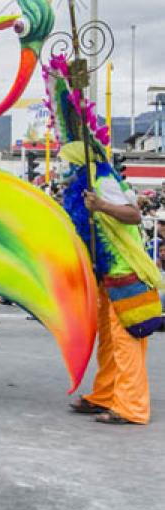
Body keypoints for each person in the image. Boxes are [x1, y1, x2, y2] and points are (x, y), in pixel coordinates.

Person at [60, 142, 163, 425]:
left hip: (126, 272)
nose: (65, 166)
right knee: (108, 340)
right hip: (108, 274)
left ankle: (132, 406)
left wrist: (101, 205)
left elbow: (133, 214)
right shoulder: (90, 181)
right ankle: (106, 394)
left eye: (69, 159)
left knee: (127, 340)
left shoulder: (103, 181)